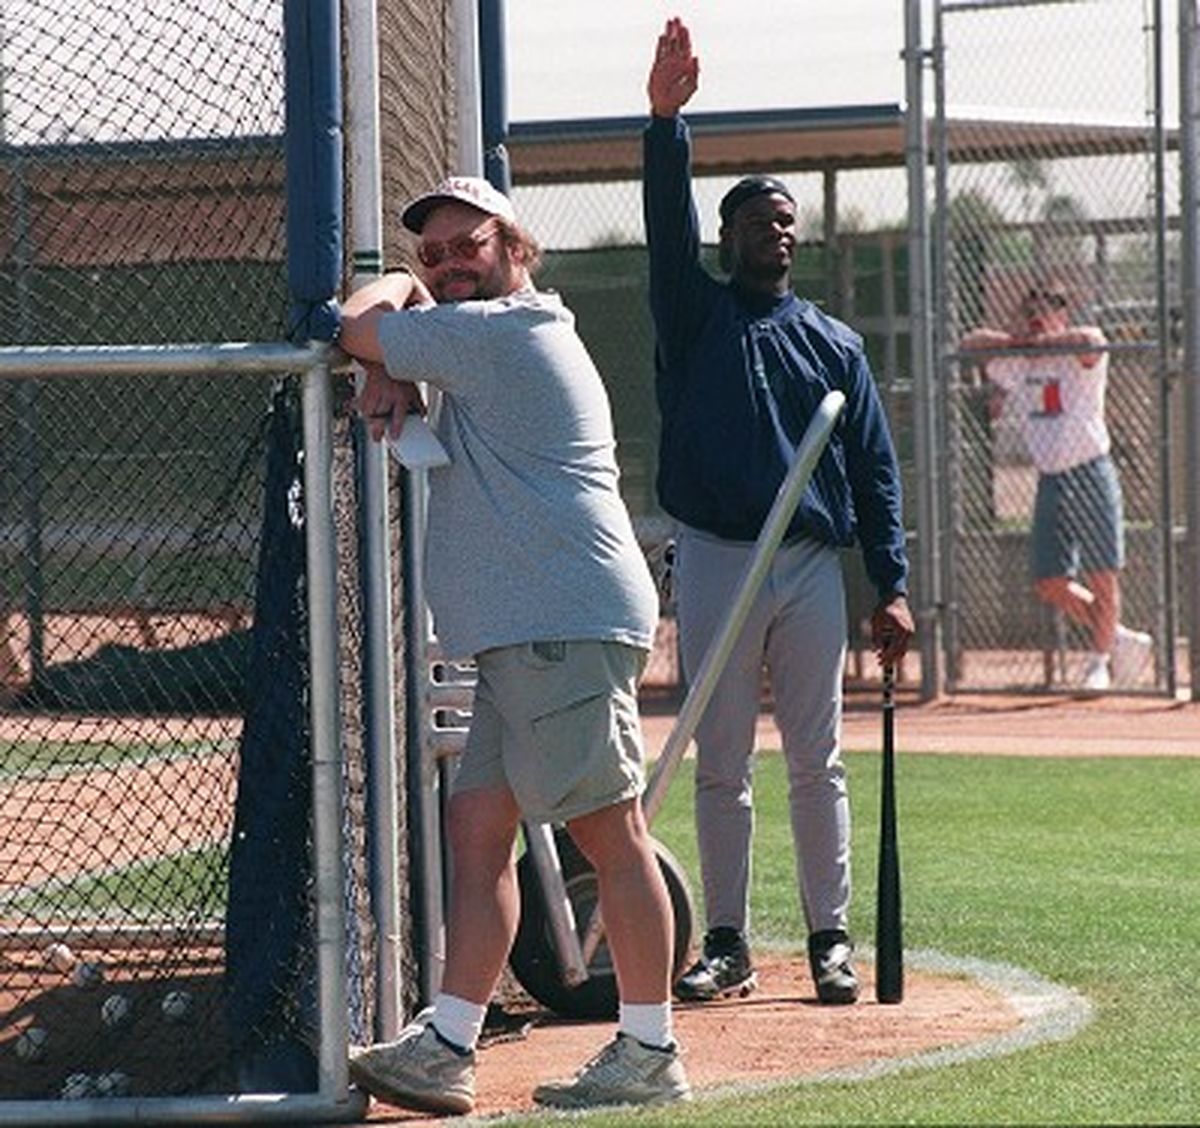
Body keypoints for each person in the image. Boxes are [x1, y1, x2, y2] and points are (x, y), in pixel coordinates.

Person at [337, 175, 690, 1114]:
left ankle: (650, 1049)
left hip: (556, 626)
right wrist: (394, 360)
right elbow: (387, 345)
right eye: (435, 255)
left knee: (613, 836)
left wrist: (388, 323)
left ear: (515, 248)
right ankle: (449, 1042)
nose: (452, 264)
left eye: (470, 245)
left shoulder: (506, 335)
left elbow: (350, 322)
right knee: (479, 831)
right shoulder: (485, 337)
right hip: (521, 634)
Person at [643, 18, 915, 1008]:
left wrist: (892, 587)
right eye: (760, 221)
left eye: (790, 221)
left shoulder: (835, 344)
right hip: (717, 556)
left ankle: (828, 941)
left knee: (817, 760)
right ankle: (725, 942)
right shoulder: (695, 312)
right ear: (729, 238)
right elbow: (666, 233)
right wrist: (666, 126)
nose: (779, 231)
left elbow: (875, 471)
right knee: (722, 764)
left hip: (805, 569)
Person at [961, 282, 1153, 691]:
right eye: (1030, 308)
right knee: (1050, 580)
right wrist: (1020, 342)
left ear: (1063, 313)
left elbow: (1091, 341)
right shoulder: (1021, 360)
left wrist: (1047, 339)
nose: (1037, 314)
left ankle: (1099, 662)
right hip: (1050, 478)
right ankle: (1120, 638)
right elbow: (970, 343)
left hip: (1089, 469)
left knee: (1103, 573)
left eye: (1047, 308)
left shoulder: (1079, 349)